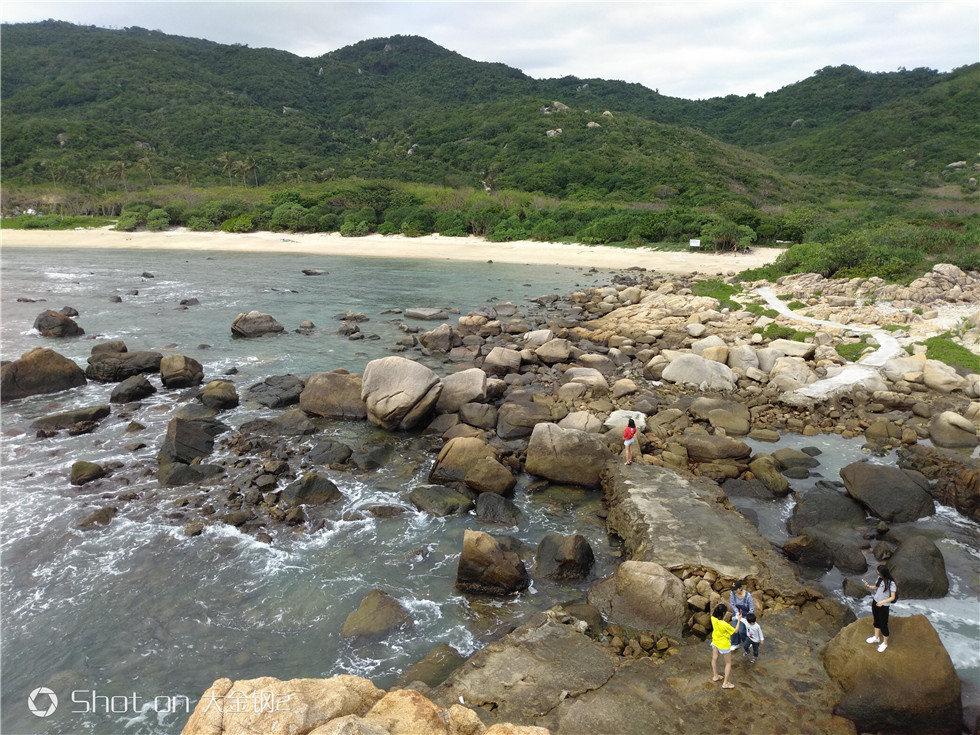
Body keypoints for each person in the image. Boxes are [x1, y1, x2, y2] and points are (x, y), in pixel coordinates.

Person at [863, 565, 897, 652]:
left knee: (883, 624)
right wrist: (868, 586)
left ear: (883, 572)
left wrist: (883, 602)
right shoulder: (879, 578)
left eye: (878, 571)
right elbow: (876, 587)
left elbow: (892, 597)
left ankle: (885, 643)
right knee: (876, 620)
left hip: (884, 606)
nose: (877, 572)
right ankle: (876, 637)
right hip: (875, 602)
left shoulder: (891, 583)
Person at [710, 603, 739, 689]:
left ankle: (715, 676)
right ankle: (725, 683)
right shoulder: (724, 624)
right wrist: (739, 620)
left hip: (715, 641)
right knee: (728, 663)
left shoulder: (712, 618)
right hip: (724, 645)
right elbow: (735, 631)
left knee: (714, 658)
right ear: (723, 614)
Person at [729, 580, 755, 646]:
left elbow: (751, 608)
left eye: (736, 589)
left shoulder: (748, 596)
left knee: (741, 630)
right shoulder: (732, 594)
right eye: (733, 590)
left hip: (745, 614)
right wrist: (737, 613)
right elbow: (732, 604)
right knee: (734, 629)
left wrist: (747, 617)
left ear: (740, 588)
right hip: (737, 612)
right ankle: (735, 643)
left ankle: (748, 642)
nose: (734, 591)